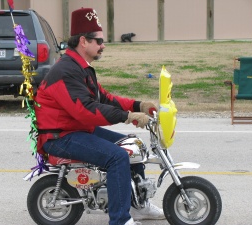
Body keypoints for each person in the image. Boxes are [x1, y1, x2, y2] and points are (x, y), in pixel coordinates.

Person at [34, 7, 165, 225]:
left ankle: (138, 205)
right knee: (117, 156)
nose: (103, 46)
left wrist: (138, 105)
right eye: (99, 41)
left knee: (133, 145)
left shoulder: (81, 68)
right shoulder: (65, 71)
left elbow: (104, 98)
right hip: (59, 136)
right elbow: (85, 111)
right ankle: (120, 219)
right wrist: (128, 116)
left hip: (76, 129)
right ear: (83, 41)